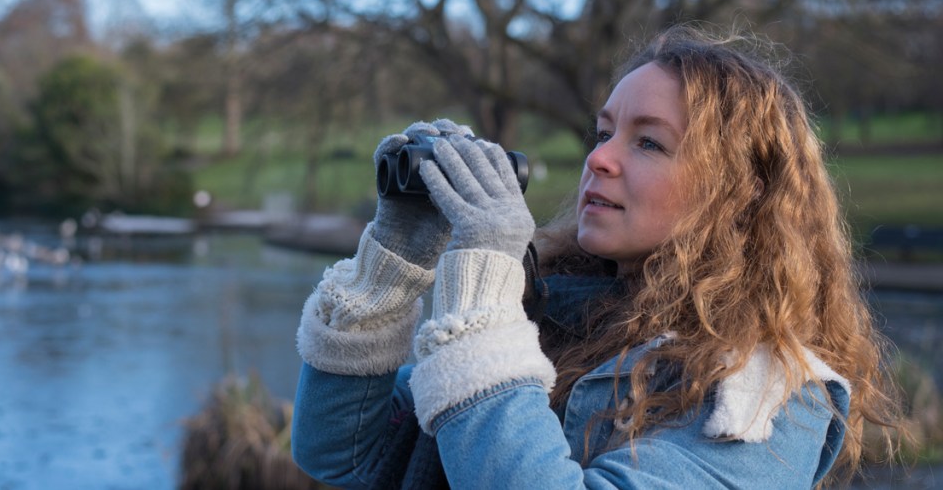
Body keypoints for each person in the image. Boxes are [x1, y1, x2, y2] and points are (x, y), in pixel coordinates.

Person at [291, 26, 899, 488]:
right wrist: (395, 257)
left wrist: (480, 306)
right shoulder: (544, 317)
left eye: (649, 142)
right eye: (604, 133)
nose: (600, 158)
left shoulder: (767, 396)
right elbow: (342, 455)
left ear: (743, 192)